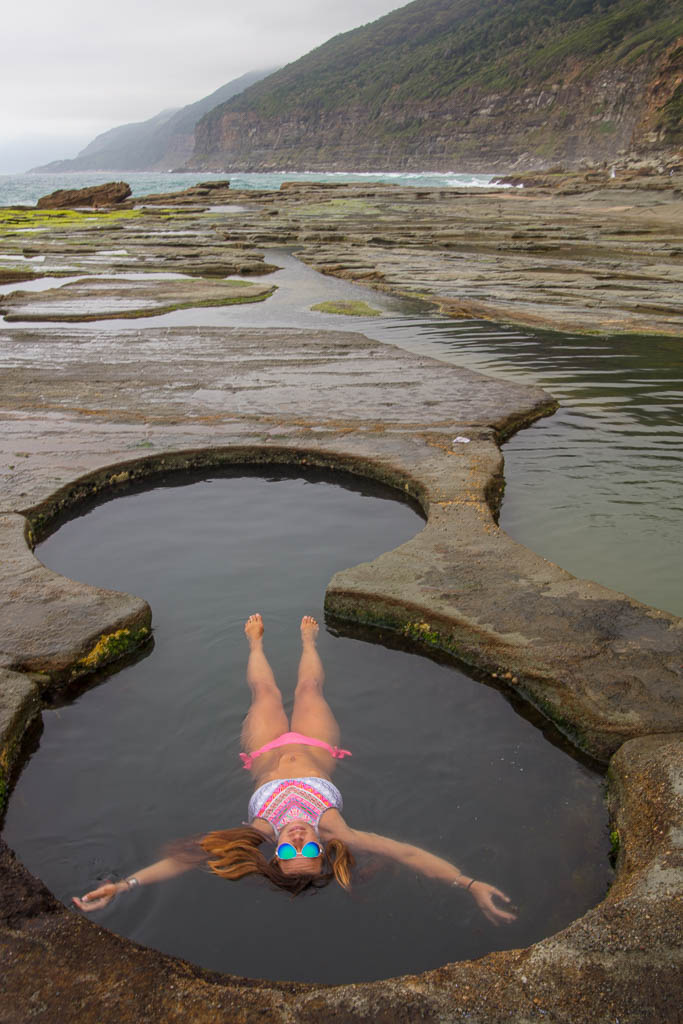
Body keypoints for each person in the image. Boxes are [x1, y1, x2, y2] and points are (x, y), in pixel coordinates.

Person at [74, 614, 517, 925]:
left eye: (288, 852)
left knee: (265, 693)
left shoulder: (260, 831)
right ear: (322, 851)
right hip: (316, 746)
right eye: (308, 851)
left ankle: (255, 643)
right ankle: (309, 643)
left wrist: (124, 886)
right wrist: (468, 883)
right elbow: (407, 854)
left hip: (264, 751)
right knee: (309, 688)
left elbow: (185, 859)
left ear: (275, 855)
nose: (299, 840)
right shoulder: (336, 829)